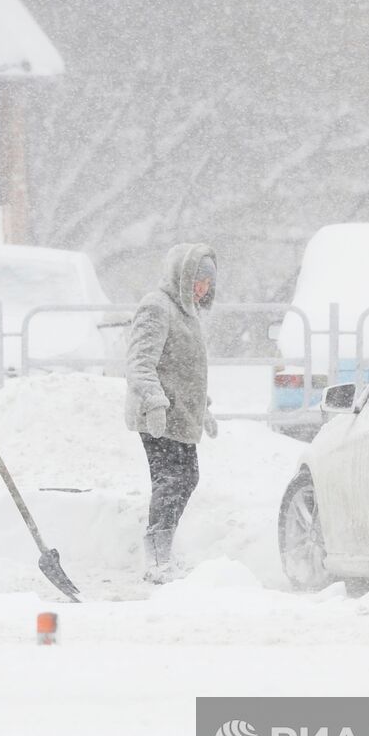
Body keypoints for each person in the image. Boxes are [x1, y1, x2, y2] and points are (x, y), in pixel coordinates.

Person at [125, 243, 219, 583]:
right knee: (170, 481)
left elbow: (187, 369)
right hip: (160, 416)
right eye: (197, 279)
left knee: (185, 478)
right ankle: (156, 558)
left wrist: (203, 408)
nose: (202, 288)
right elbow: (139, 362)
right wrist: (153, 402)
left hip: (182, 415)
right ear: (181, 276)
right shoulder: (157, 307)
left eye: (208, 283)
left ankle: (162, 550)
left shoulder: (187, 313)